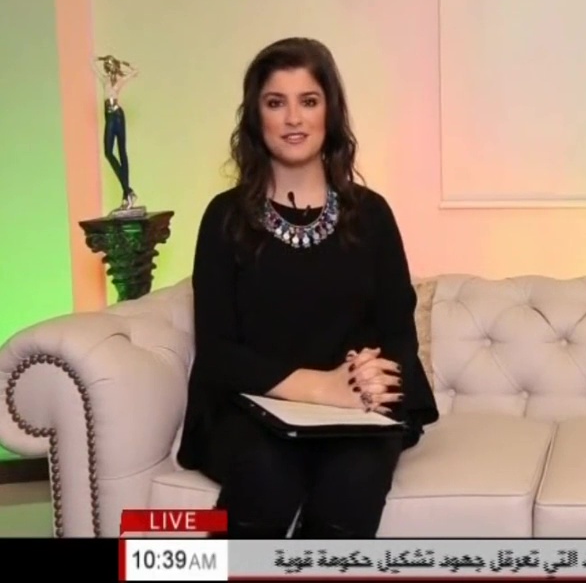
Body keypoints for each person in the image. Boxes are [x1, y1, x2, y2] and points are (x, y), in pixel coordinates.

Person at [176, 37, 439, 539]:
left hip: (358, 413)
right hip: (250, 407)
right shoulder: (225, 218)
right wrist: (321, 388)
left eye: (309, 101)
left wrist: (370, 379)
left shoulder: (372, 214)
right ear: (256, 117)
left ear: (330, 113)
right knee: (265, 477)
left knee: (351, 485)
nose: (293, 118)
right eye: (276, 102)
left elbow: (398, 333)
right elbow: (218, 350)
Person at [92, 55, 139, 211]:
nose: (108, 67)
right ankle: (128, 191)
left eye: (110, 65)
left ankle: (127, 195)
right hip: (109, 115)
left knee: (122, 152)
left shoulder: (119, 80)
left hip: (117, 114)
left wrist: (123, 62)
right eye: (107, 65)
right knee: (108, 152)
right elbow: (92, 64)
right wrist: (102, 58)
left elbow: (135, 71)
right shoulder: (105, 80)